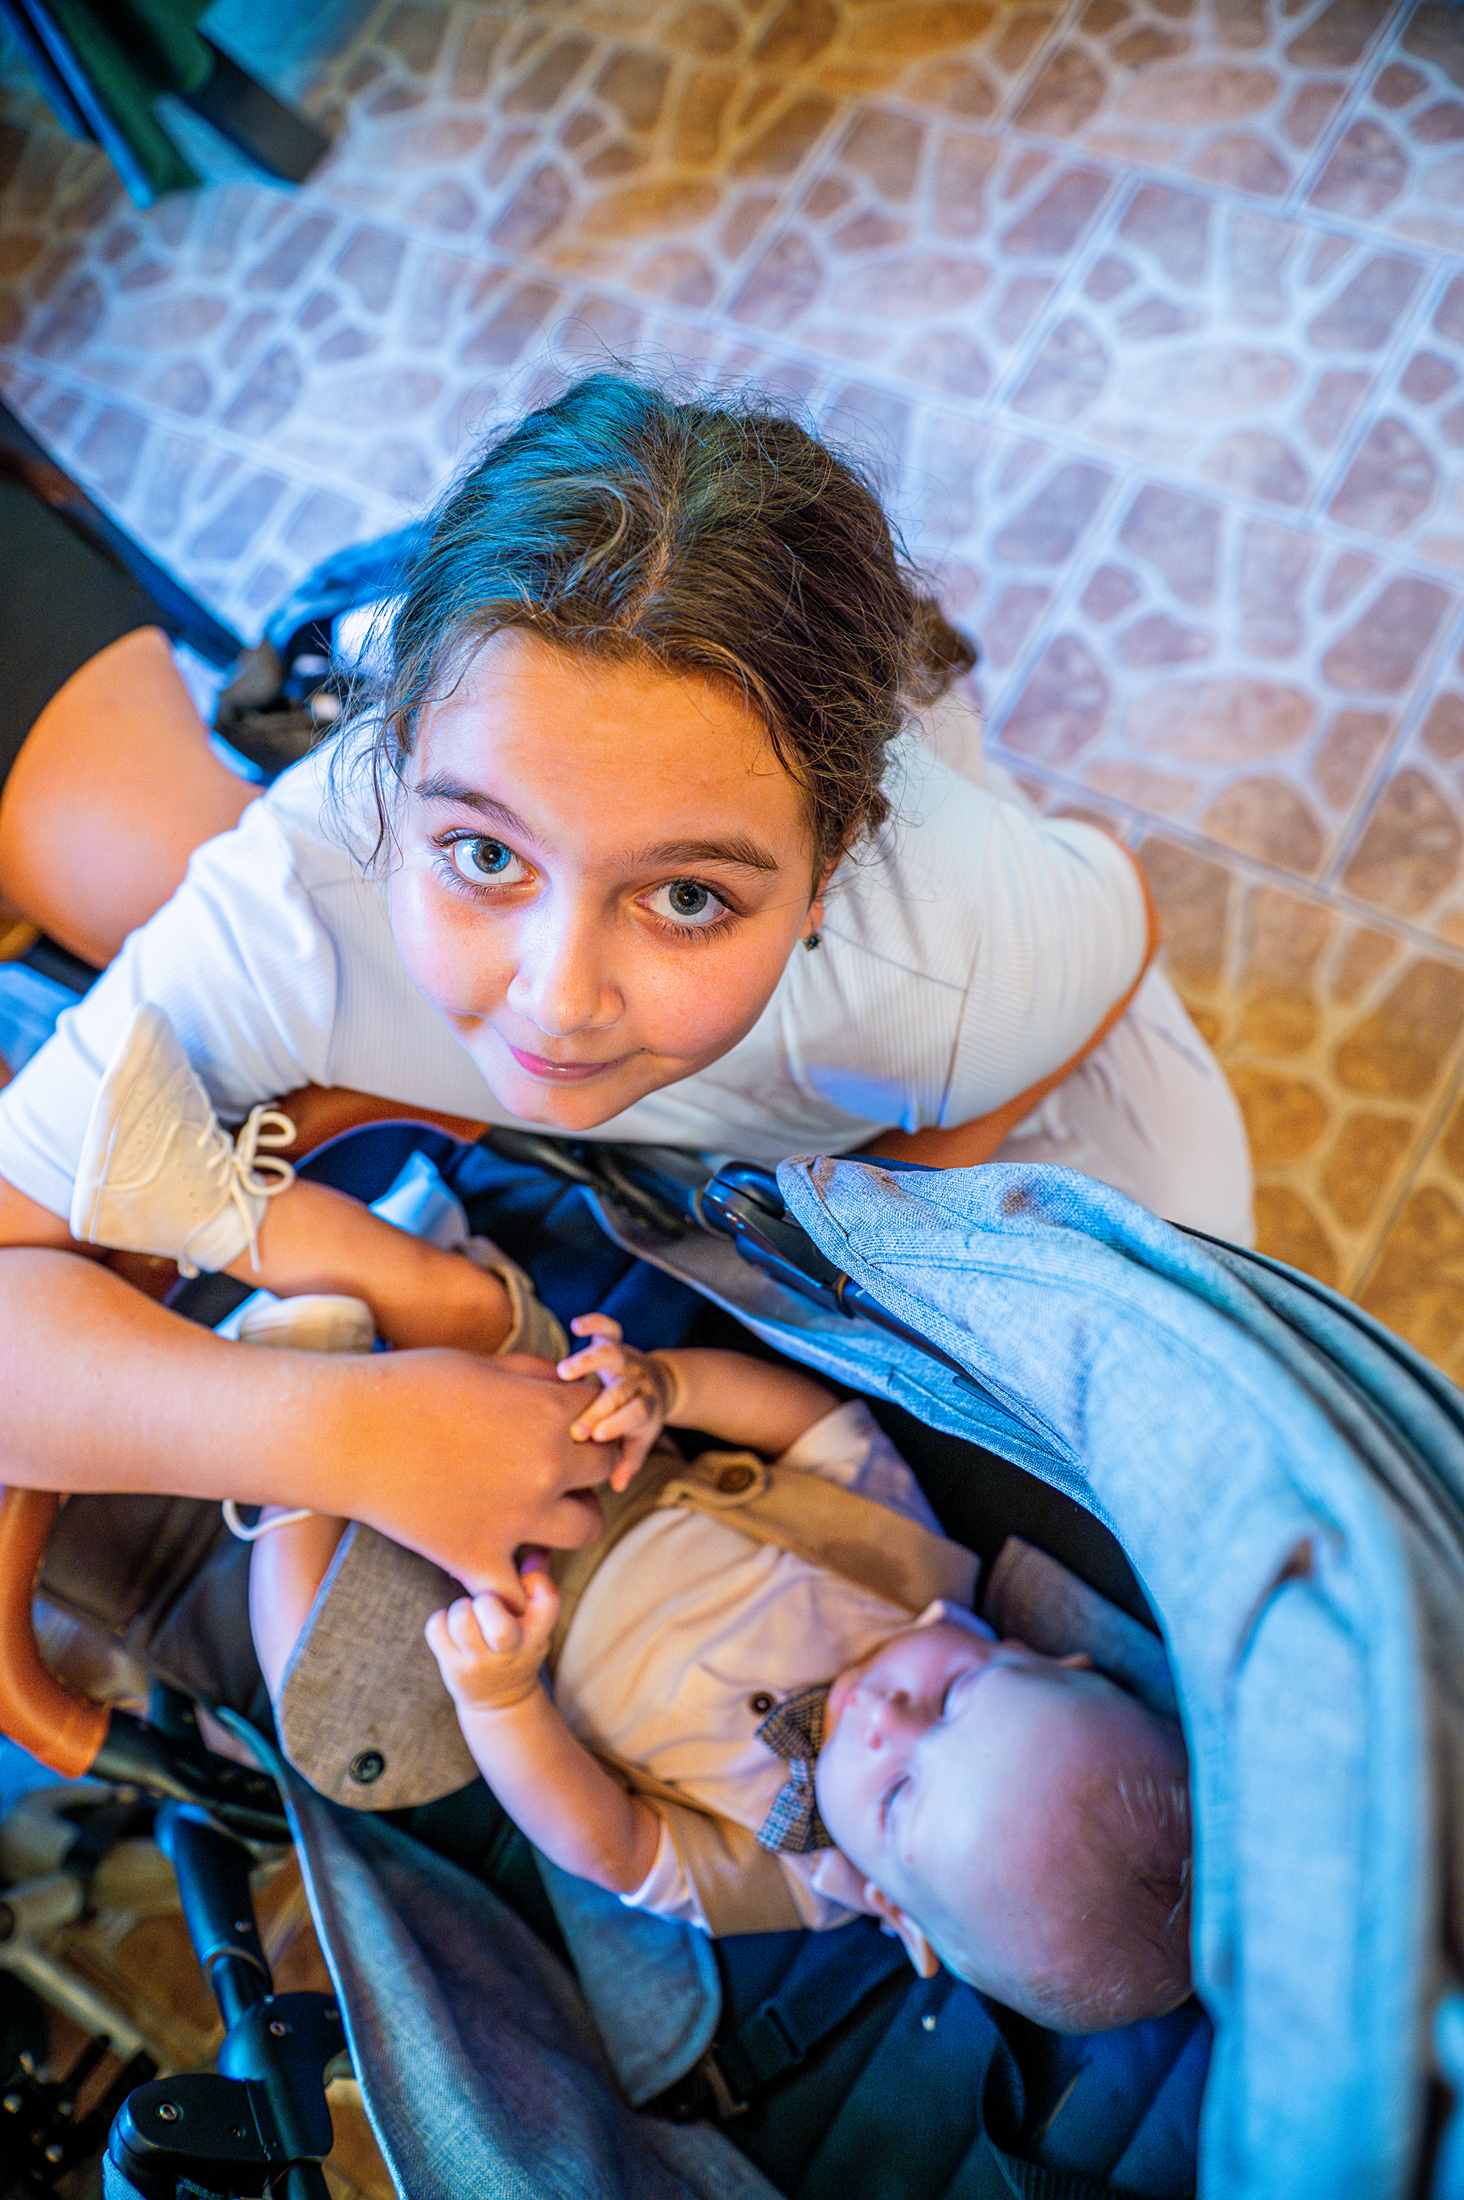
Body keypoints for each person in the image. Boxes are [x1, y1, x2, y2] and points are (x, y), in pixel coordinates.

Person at [0, 371, 1252, 1602]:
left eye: (687, 896)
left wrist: (879, 1221)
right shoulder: (299, 909)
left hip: (1032, 1111)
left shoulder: (953, 973)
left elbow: (1120, 913)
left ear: (825, 877)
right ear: (391, 761)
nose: (557, 1002)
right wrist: (349, 1435)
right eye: (486, 855)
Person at [242, 1298, 1192, 2036]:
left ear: (896, 1912)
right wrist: (668, 1388)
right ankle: (379, 1293)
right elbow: (812, 1425)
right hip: (589, 1471)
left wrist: (499, 1700)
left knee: (318, 1692)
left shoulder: (783, 1879)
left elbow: (605, 1843)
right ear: (1030, 1651)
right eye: (953, 1695)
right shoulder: (912, 1572)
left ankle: (296, 1398)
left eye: (900, 1792)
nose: (886, 1716)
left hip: (483, 1624)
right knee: (479, 1315)